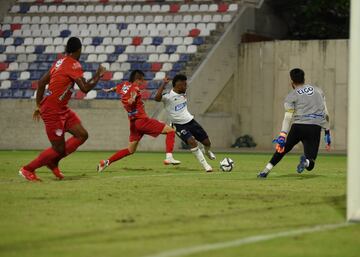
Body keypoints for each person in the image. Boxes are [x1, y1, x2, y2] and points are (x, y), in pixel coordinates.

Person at [19, 37, 106, 181]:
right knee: (57, 148)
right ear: (79, 50)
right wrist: (98, 75)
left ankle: (53, 162)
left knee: (82, 135)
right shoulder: (73, 65)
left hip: (61, 109)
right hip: (53, 111)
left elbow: (41, 83)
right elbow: (84, 89)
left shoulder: (59, 62)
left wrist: (38, 105)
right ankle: (28, 169)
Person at [97, 70, 180, 172]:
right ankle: (169, 157)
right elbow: (134, 93)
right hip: (142, 121)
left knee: (130, 150)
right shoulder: (135, 88)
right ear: (138, 80)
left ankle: (106, 162)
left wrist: (109, 90)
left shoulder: (125, 85)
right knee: (170, 131)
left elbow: (116, 88)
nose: (143, 82)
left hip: (133, 124)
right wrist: (132, 99)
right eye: (142, 80)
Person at [258, 68, 331, 178]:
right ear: (304, 78)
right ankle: (305, 162)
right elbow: (326, 114)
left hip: (298, 127)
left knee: (282, 149)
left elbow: (288, 117)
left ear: (292, 82)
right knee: (311, 163)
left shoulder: (291, 96)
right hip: (314, 127)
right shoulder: (319, 91)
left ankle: (265, 171)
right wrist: (327, 133)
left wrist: (283, 135)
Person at [154, 74, 216, 172]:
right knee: (192, 142)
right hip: (178, 125)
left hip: (191, 121)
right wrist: (164, 84)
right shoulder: (168, 97)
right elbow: (157, 98)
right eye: (184, 84)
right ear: (178, 85)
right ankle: (206, 165)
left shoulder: (183, 92)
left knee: (207, 142)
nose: (186, 86)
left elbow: (183, 87)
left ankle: (206, 151)